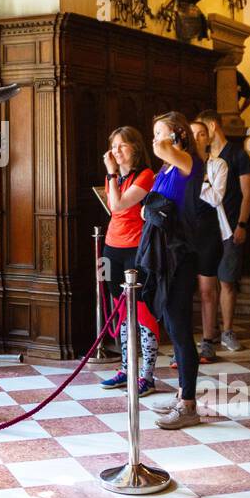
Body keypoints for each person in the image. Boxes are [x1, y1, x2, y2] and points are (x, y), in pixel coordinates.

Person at [144, 112, 208, 429]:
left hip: (181, 254)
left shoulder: (187, 163)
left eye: (160, 132)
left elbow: (162, 149)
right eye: (153, 132)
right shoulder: (168, 166)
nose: (155, 138)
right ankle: (183, 391)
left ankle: (188, 405)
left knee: (181, 330)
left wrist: (167, 141)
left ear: (179, 135)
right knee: (171, 323)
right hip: (163, 252)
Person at [99, 127, 158, 396]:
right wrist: (113, 175)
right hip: (112, 245)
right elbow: (114, 206)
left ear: (135, 148)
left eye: (123, 146)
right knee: (120, 310)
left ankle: (147, 375)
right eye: (114, 146)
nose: (117, 151)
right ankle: (126, 368)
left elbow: (120, 204)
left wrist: (112, 174)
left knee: (142, 310)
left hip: (136, 248)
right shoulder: (115, 177)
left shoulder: (146, 175)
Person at [196, 109, 250, 353]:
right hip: (206, 229)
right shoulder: (203, 158)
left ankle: (228, 330)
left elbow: (248, 192)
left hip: (230, 225)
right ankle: (210, 332)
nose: (199, 137)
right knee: (207, 285)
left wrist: (242, 223)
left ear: (211, 126)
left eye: (201, 131)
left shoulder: (238, 155)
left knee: (227, 280)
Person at [191, 119, 225, 362]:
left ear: (208, 137)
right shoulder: (177, 167)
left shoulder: (218, 165)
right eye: (193, 134)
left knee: (207, 290)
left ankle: (208, 340)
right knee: (182, 290)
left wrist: (198, 177)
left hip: (209, 231)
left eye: (202, 133)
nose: (197, 138)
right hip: (185, 232)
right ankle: (183, 344)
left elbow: (215, 198)